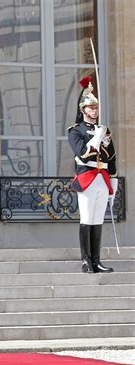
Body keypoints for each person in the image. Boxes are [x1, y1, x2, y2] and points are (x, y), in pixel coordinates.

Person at [68, 76, 117, 273]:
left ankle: (96, 260)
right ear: (83, 110)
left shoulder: (103, 130)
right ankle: (85, 260)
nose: (94, 111)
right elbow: (83, 153)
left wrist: (113, 181)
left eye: (96, 107)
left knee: (98, 220)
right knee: (86, 219)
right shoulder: (75, 131)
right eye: (91, 107)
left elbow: (111, 156)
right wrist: (96, 139)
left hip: (102, 178)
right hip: (87, 177)